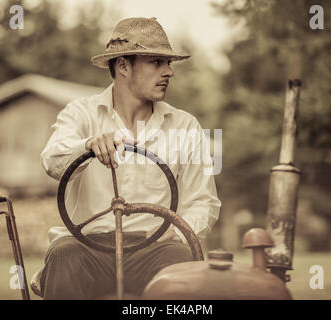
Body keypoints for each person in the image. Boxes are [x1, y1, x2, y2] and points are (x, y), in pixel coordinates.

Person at [38, 17, 221, 299]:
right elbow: (52, 160)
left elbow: (203, 201)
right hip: (88, 246)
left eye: (168, 63)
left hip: (155, 245)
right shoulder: (80, 114)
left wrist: (178, 233)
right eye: (156, 62)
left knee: (180, 263)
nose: (169, 72)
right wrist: (88, 146)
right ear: (123, 65)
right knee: (64, 254)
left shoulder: (185, 126)